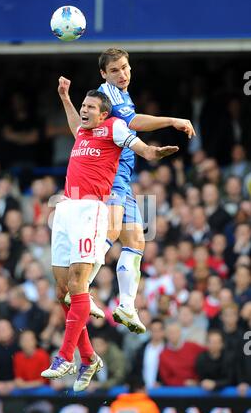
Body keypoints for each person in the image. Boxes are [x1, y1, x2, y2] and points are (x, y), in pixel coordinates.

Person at [41, 78, 179, 391]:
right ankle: (89, 358)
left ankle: (65, 356)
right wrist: (65, 97)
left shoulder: (114, 127)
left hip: (92, 211)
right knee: (63, 290)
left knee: (78, 284)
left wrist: (155, 153)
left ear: (103, 114)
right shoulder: (83, 131)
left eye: (90, 107)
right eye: (83, 106)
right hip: (65, 209)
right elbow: (75, 123)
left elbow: (140, 147)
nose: (84, 111)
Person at [63, 48, 195, 334]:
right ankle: (79, 288)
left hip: (123, 177)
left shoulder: (120, 94)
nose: (122, 74)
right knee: (109, 233)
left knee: (136, 239)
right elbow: (133, 123)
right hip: (110, 176)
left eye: (125, 68)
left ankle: (126, 305)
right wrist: (173, 120)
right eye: (115, 70)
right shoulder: (107, 98)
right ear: (103, 74)